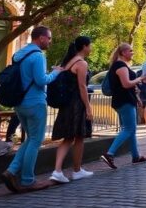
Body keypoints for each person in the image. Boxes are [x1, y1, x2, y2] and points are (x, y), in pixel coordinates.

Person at [0, 26, 63, 193]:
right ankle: (28, 180)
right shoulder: (37, 56)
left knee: (30, 139)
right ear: (41, 38)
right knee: (35, 140)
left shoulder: (20, 54)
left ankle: (11, 171)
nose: (49, 41)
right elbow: (41, 80)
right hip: (35, 102)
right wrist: (55, 72)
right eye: (48, 38)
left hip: (20, 102)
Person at [49, 36, 94, 183]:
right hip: (77, 104)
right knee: (79, 136)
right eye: (90, 45)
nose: (91, 48)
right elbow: (82, 86)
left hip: (67, 104)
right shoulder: (81, 63)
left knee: (68, 138)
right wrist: (88, 107)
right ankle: (77, 170)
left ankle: (57, 170)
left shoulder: (69, 61)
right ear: (84, 46)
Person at [100, 43, 146, 170]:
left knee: (130, 130)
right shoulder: (120, 65)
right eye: (130, 51)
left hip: (124, 101)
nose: (132, 53)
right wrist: (140, 78)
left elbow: (128, 86)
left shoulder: (119, 65)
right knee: (129, 129)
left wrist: (137, 98)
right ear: (123, 53)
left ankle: (136, 156)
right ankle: (109, 154)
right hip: (124, 101)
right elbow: (126, 84)